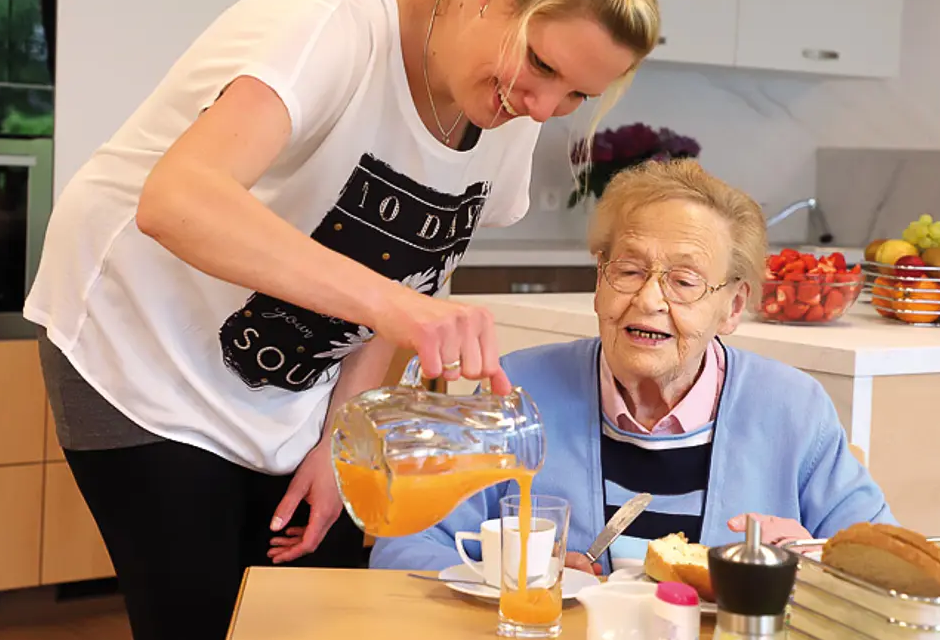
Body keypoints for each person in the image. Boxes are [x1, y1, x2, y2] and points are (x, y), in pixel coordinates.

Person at [23, 0, 660, 640]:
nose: (541, 106)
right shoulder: (336, 25)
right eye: (542, 65)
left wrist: (341, 438)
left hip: (287, 386)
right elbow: (176, 200)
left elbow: (413, 269)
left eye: (574, 97)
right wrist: (398, 309)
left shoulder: (508, 111)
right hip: (138, 346)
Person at [369, 159, 895, 575]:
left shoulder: (792, 411)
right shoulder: (517, 392)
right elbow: (405, 547)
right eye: (628, 270)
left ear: (733, 307)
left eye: (684, 282)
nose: (648, 300)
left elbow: (884, 565)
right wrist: (509, 574)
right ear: (599, 279)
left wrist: (809, 562)